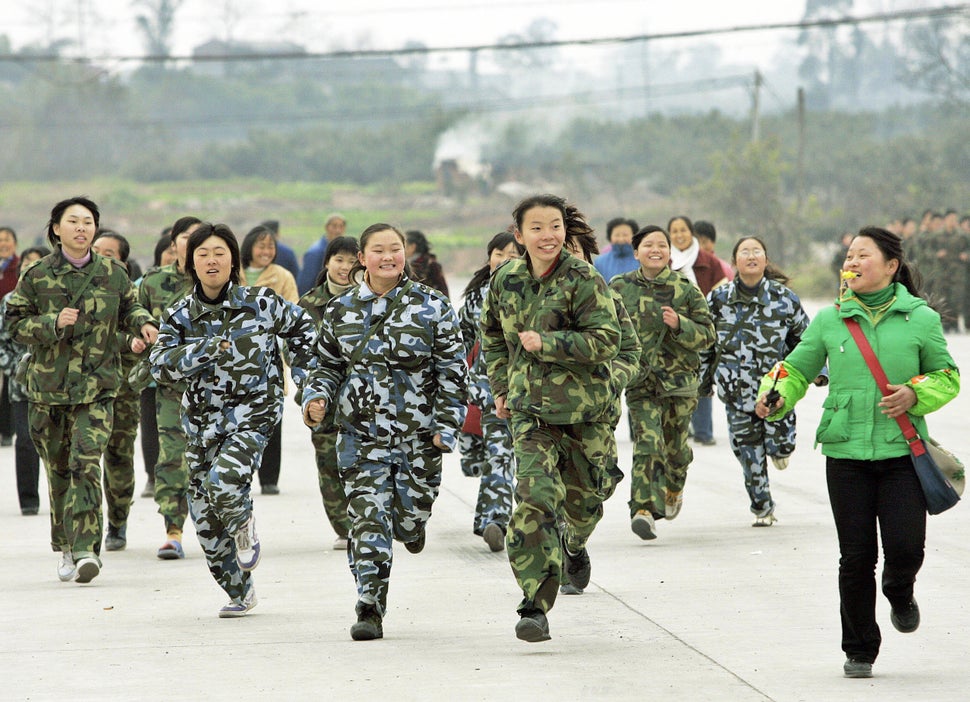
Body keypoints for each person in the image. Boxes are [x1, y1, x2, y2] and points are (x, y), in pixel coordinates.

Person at [755, 226, 960, 679]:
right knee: (856, 555)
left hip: (901, 454)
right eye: (849, 255)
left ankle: (900, 591)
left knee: (905, 548)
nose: (853, 262)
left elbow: (948, 376)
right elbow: (795, 368)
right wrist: (777, 394)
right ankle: (860, 648)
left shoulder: (920, 319)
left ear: (890, 266)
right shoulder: (830, 320)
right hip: (846, 453)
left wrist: (914, 393)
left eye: (863, 255)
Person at [302, 223, 466, 641]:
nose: (388, 257)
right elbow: (326, 365)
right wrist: (315, 397)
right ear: (363, 258)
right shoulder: (340, 311)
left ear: (405, 254)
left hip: (418, 438)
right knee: (367, 523)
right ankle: (369, 605)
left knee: (409, 519)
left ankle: (412, 526)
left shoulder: (432, 305)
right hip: (361, 438)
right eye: (379, 250)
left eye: (395, 249)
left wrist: (446, 426)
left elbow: (452, 371)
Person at [150, 222, 316, 618]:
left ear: (233, 261)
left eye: (220, 253)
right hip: (202, 425)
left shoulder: (261, 302)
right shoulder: (179, 315)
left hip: (254, 413)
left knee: (224, 481)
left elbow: (304, 331)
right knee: (204, 521)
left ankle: (244, 525)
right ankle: (241, 591)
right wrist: (203, 350)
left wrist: (305, 380)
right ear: (190, 262)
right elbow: (159, 366)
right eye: (203, 254)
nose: (212, 260)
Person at [480, 194, 622, 642]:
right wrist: (502, 387)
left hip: (586, 413)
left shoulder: (584, 278)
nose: (549, 236)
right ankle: (534, 605)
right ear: (519, 235)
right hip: (530, 414)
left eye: (556, 226)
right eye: (537, 228)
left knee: (586, 502)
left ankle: (573, 544)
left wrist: (551, 343)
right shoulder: (505, 280)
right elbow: (492, 338)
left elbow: (607, 339)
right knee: (535, 500)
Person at [5, 196, 157, 584]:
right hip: (47, 392)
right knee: (58, 474)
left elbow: (130, 307)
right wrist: (53, 322)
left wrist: (143, 324)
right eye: (72, 221)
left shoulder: (114, 273)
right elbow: (14, 324)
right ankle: (67, 547)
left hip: (98, 389)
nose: (81, 228)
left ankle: (88, 549)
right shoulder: (37, 274)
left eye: (88, 222)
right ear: (56, 229)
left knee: (85, 466)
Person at [701, 236, 817, 527]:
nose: (751, 256)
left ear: (765, 260)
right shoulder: (718, 299)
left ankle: (781, 448)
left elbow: (806, 340)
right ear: (735, 261)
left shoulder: (784, 298)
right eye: (745, 252)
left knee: (780, 445)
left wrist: (819, 371)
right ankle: (762, 507)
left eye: (757, 252)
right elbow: (705, 345)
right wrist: (702, 381)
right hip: (736, 391)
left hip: (776, 389)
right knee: (748, 455)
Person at [609, 225, 714, 541]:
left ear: (670, 253)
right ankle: (642, 510)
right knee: (648, 443)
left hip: (679, 384)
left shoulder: (684, 288)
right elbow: (605, 330)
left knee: (676, 451)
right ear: (636, 251)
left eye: (662, 245)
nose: (656, 250)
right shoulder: (618, 287)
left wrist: (680, 323)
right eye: (648, 245)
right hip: (641, 383)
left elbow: (708, 334)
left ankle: (673, 487)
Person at [136, 216, 201, 559]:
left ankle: (224, 527)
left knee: (217, 461)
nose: (192, 244)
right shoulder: (152, 282)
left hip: (217, 388)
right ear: (172, 243)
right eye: (185, 237)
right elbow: (132, 318)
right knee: (172, 459)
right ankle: (173, 530)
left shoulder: (220, 282)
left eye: (198, 238)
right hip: (171, 388)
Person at [458, 231, 522, 553]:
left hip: (530, 392)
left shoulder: (533, 291)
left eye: (514, 254)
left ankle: (493, 519)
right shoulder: (474, 298)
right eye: (500, 253)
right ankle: (496, 519)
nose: (506, 259)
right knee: (499, 453)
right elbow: (458, 345)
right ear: (490, 257)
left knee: (510, 458)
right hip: (487, 391)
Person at [297, 235, 360, 550]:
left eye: (352, 261)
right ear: (327, 263)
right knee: (329, 462)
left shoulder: (370, 302)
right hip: (323, 401)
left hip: (364, 401)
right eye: (339, 260)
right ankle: (343, 527)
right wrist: (309, 390)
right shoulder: (308, 304)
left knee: (365, 462)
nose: (345, 267)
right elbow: (295, 353)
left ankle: (368, 521)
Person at [91, 230, 146, 551]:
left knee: (118, 455)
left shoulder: (130, 296)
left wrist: (131, 340)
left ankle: (117, 521)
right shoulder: (75, 290)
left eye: (109, 253)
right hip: (83, 388)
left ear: (123, 262)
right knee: (82, 459)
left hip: (121, 389)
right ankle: (86, 527)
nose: (101, 256)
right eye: (97, 250)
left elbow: (138, 333)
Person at [241, 225, 299, 495]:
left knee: (272, 417)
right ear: (249, 246)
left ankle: (269, 478)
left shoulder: (283, 276)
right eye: (261, 246)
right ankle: (241, 473)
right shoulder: (234, 273)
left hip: (270, 355)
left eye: (270, 247)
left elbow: (293, 313)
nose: (266, 252)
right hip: (237, 357)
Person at [0, 246, 50, 515]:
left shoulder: (55, 298)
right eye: (26, 265)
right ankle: (29, 499)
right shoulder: (9, 301)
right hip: (23, 385)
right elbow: (2, 343)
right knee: (26, 441)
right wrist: (15, 369)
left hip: (57, 383)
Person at [668, 215, 726, 446]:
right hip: (672, 330)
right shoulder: (665, 259)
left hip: (702, 329)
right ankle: (681, 429)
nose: (679, 235)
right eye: (674, 231)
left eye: (683, 230)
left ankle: (704, 431)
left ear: (691, 232)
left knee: (702, 378)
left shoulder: (708, 261)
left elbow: (721, 292)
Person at [0, 226, 20, 446]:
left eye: (7, 239)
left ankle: (7, 429)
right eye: (0, 240)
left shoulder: (19, 269)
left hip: (9, 331)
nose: (3, 243)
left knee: (9, 383)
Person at [298, 213, 347, 295]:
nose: (338, 230)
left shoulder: (345, 251)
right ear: (327, 227)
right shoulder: (315, 252)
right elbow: (306, 283)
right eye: (334, 226)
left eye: (341, 227)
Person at [593, 217, 639, 282]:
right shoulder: (599, 263)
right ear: (610, 237)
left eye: (625, 235)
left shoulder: (641, 260)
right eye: (617, 235)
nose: (621, 239)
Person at [405, 229, 449, 297]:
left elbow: (443, 291)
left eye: (403, 245)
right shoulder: (404, 264)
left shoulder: (431, 264)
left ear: (412, 247)